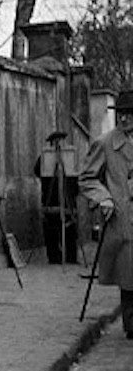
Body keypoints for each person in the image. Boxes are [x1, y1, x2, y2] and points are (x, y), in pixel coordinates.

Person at [78, 89, 133, 339]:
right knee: (128, 273)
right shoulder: (105, 143)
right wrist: (104, 198)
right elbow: (87, 178)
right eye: (120, 114)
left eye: (129, 114)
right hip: (123, 219)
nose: (124, 119)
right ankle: (131, 324)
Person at [34, 131, 79, 264]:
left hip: (67, 197)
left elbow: (76, 172)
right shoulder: (45, 156)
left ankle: (71, 257)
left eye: (61, 140)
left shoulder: (70, 155)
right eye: (56, 141)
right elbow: (38, 171)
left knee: (70, 228)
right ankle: (54, 257)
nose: (59, 144)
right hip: (51, 195)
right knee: (51, 226)